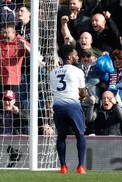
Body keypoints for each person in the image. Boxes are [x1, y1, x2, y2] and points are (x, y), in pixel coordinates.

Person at [49, 44, 87, 174]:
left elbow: (52, 91)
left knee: (61, 136)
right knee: (80, 134)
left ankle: (63, 166)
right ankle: (81, 166)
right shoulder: (77, 71)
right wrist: (81, 98)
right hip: (72, 106)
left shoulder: (53, 72)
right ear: (70, 57)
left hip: (58, 107)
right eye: (76, 55)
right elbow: (82, 92)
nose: (77, 57)